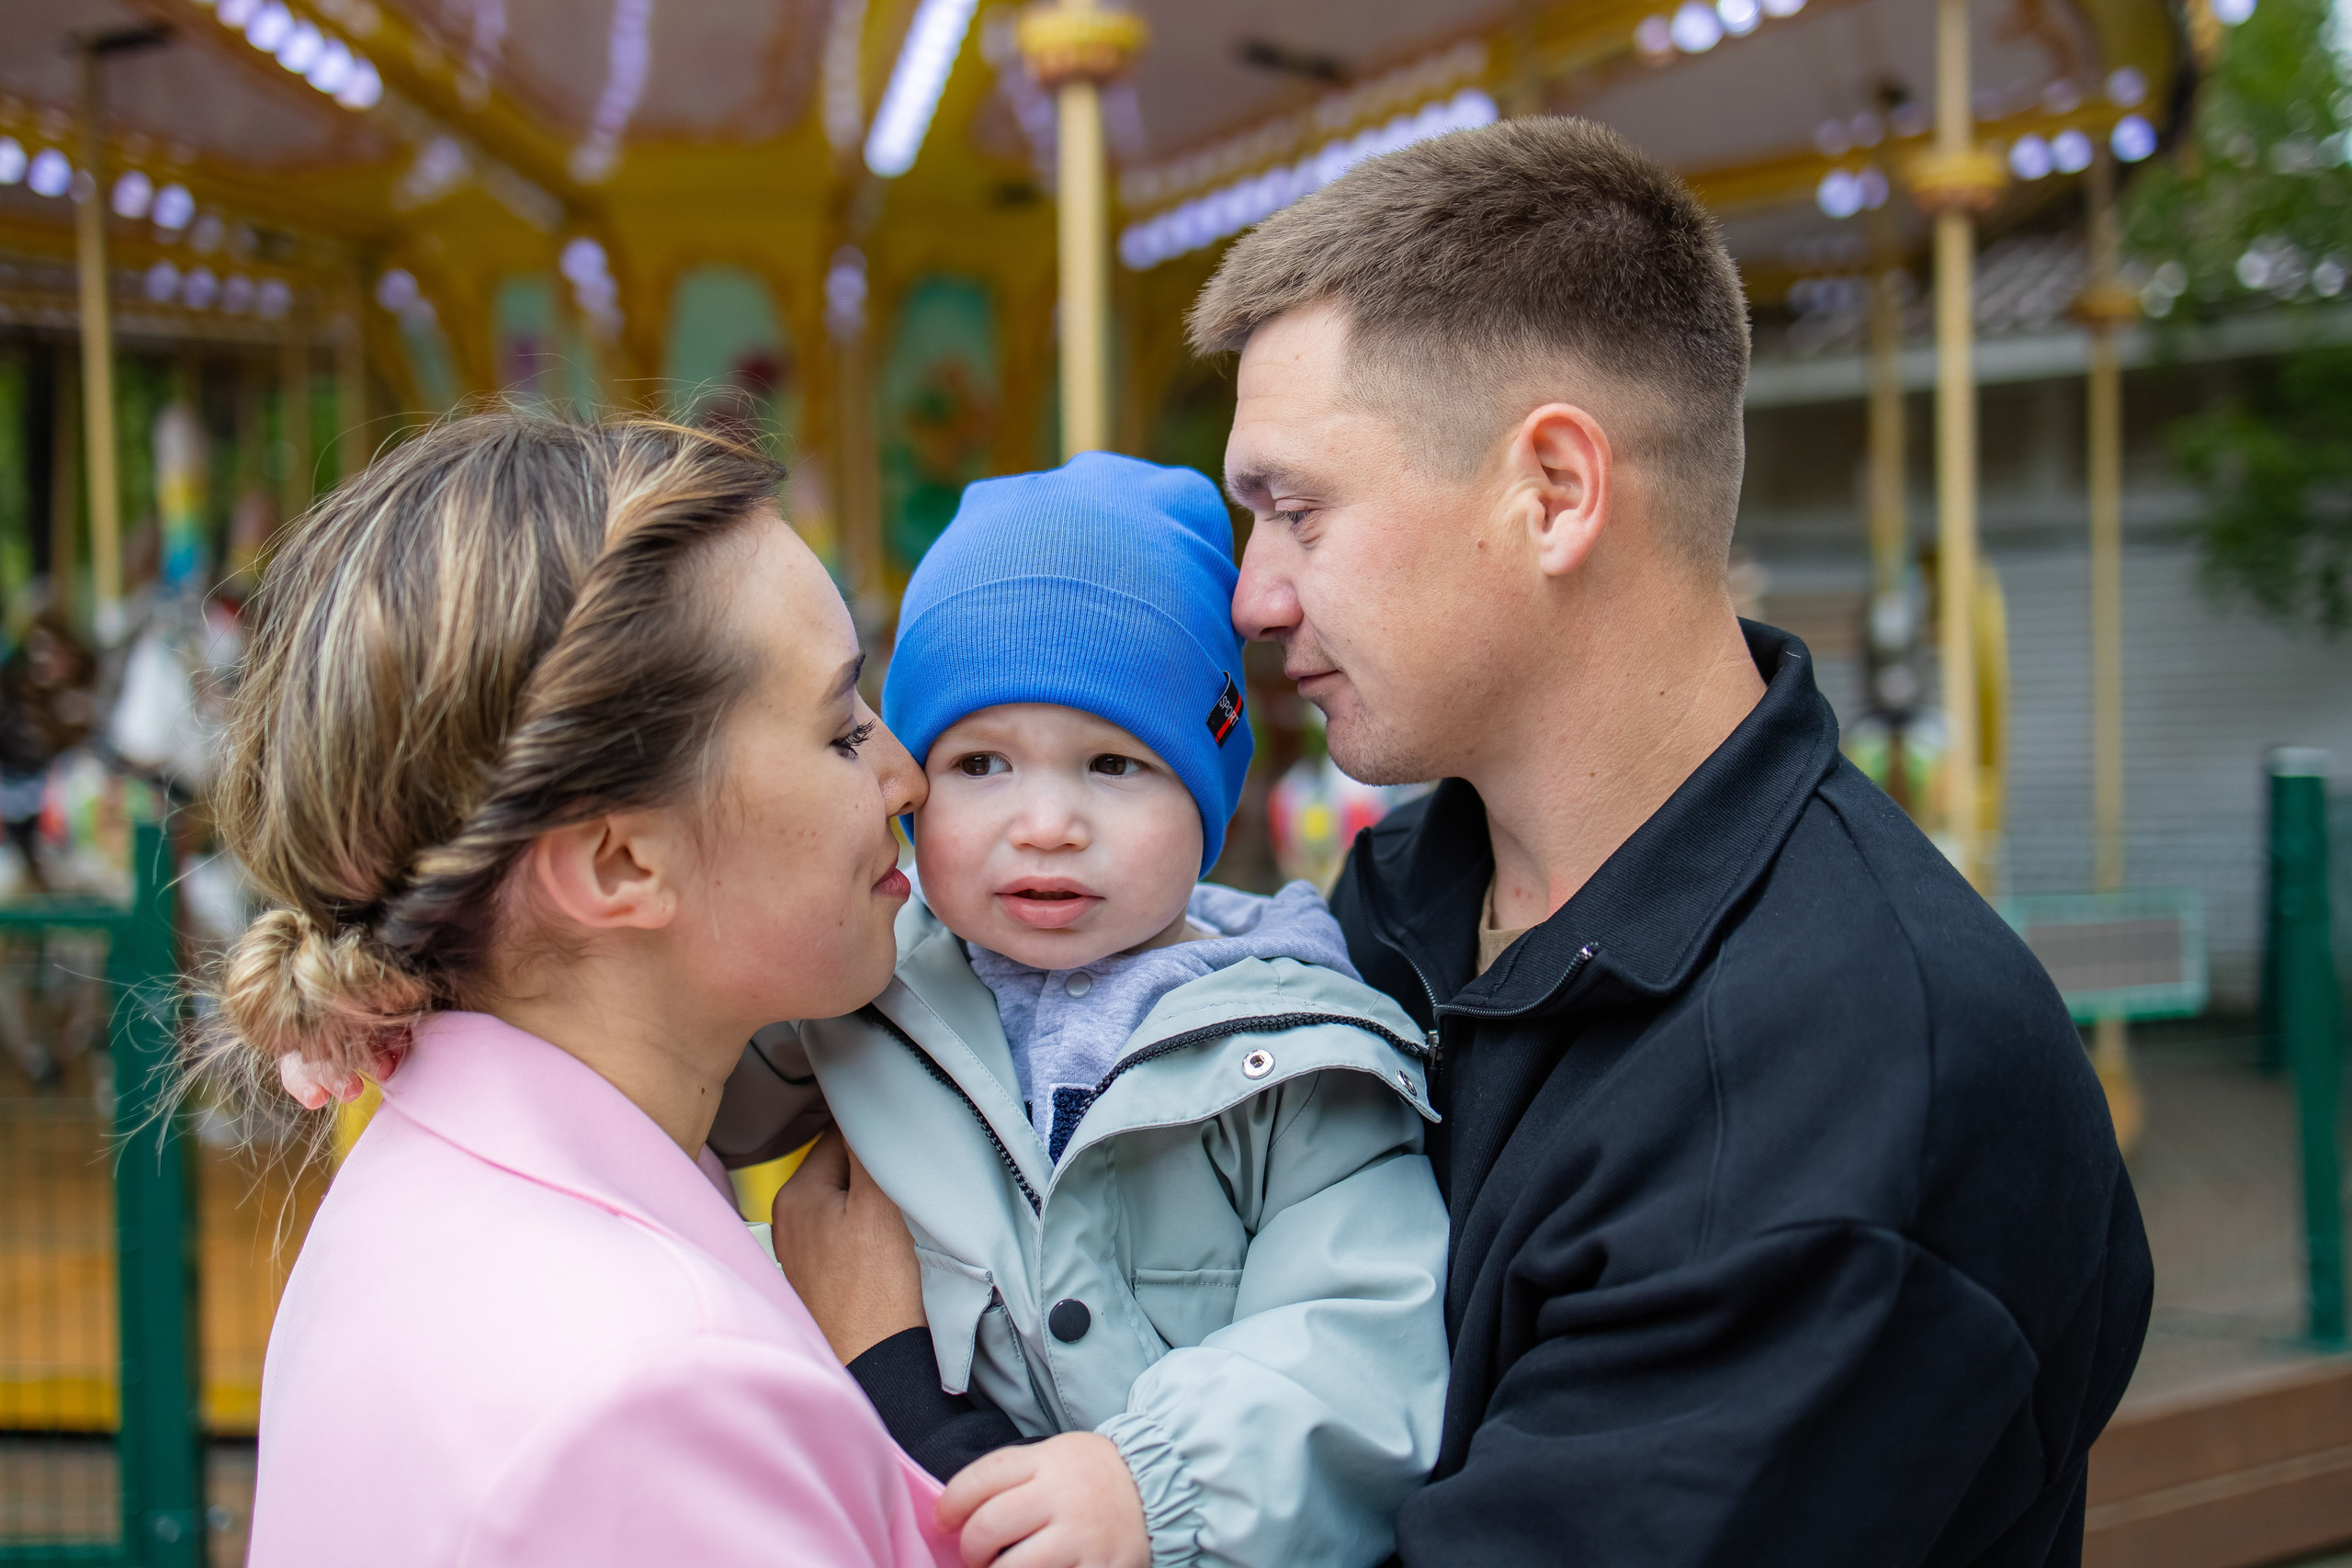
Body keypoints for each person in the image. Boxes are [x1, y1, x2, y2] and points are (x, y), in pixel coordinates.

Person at [1187, 117, 2153, 1562]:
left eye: (1297, 511)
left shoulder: (1851, 1082)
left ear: (1555, 492)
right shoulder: (1405, 898)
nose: (1255, 597)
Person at [200, 410, 957, 1568]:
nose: (904, 772)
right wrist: (891, 1383)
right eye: (840, 729)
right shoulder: (657, 1393)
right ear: (618, 864)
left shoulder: (415, 1185)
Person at [724, 454, 1449, 1568]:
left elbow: (1366, 1337)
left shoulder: (1297, 1048)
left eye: (1113, 763)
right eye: (981, 765)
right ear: (912, 782)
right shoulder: (859, 986)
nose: (1047, 822)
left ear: (1209, 794)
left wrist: (1151, 1487)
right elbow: (683, 1079)